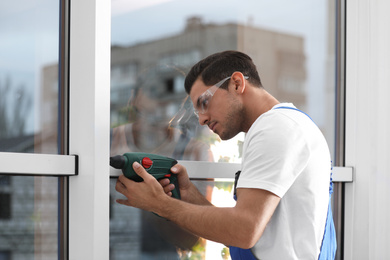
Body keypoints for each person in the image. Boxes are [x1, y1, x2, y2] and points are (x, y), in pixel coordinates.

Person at [115, 50, 336, 259]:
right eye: (196, 111)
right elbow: (241, 230)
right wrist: (190, 195)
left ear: (237, 84)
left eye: (204, 102)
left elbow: (244, 230)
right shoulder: (278, 127)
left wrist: (159, 204)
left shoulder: (277, 127)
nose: (201, 119)